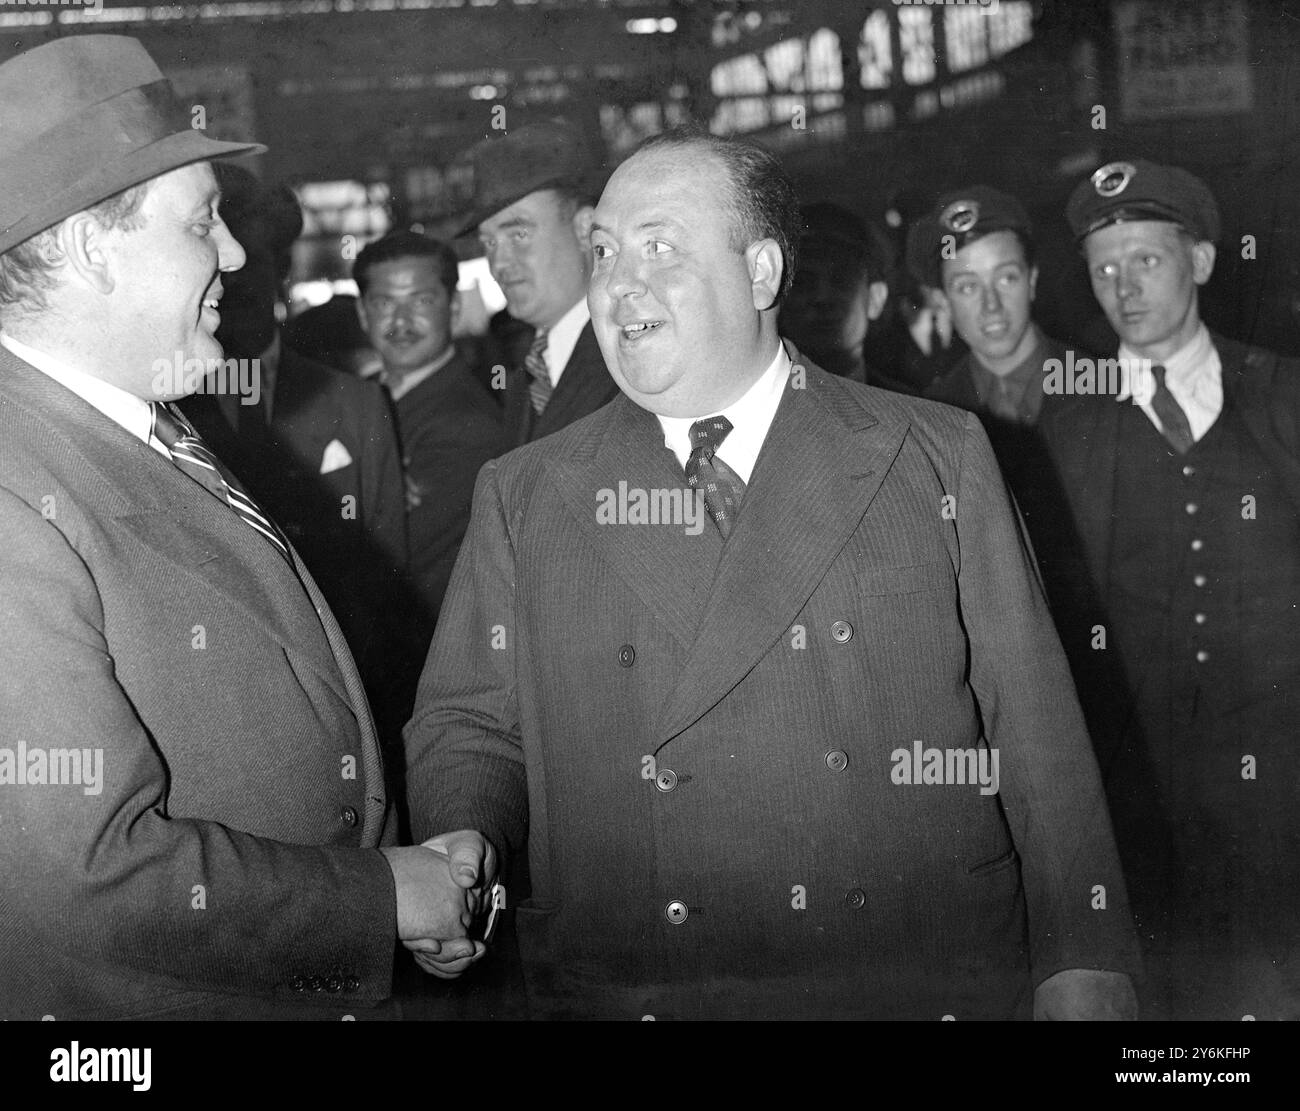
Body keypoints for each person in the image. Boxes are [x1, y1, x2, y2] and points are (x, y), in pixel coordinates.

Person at [405, 126, 1140, 1020]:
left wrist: (1084, 957)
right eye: (602, 252)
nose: (619, 283)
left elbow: (1034, 728)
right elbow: (470, 722)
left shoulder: (931, 452)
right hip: (645, 980)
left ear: (761, 272)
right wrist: (459, 836)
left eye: (660, 248)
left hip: (912, 971)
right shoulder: (526, 494)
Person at [0, 34, 486, 1020]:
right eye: (203, 222)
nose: (234, 254)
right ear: (94, 247)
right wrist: (384, 894)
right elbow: (90, 877)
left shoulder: (138, 419)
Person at [1040, 158, 1300, 1020]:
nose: (1123, 287)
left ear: (1202, 260)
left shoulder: (1284, 394)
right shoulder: (1066, 421)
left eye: (1145, 260)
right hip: (1138, 789)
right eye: (1104, 270)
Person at [183, 164, 413, 760]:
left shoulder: (355, 405)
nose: (233, 285)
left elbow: (390, 579)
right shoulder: (166, 412)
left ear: (282, 274)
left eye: (254, 265)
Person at [353, 230, 503, 695]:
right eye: (383, 303)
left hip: (419, 671)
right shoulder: (356, 403)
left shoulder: (467, 423)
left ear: (453, 309)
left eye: (420, 301)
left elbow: (388, 560)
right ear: (362, 312)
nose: (400, 320)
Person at [458, 119, 618, 446]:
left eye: (519, 234)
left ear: (585, 228)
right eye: (488, 243)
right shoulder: (527, 377)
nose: (498, 263)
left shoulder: (628, 361)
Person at [778, 202, 914, 394]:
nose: (822, 298)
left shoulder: (911, 409)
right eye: (803, 283)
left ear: (876, 299)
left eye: (841, 281)